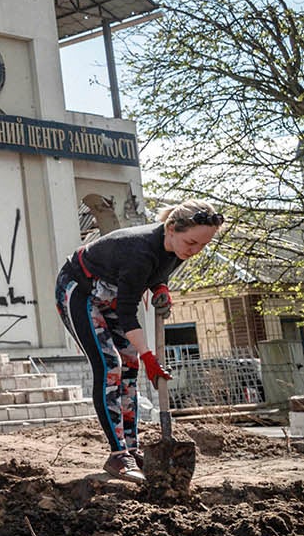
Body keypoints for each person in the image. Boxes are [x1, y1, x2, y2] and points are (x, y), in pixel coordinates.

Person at [55, 200, 223, 481]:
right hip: (79, 291)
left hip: (112, 294)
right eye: (191, 242)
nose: (193, 251)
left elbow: (159, 271)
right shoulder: (140, 250)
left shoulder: (176, 248)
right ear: (171, 228)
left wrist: (160, 287)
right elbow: (127, 310)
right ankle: (117, 455)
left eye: (201, 246)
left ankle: (131, 450)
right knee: (110, 365)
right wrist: (148, 354)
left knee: (129, 370)